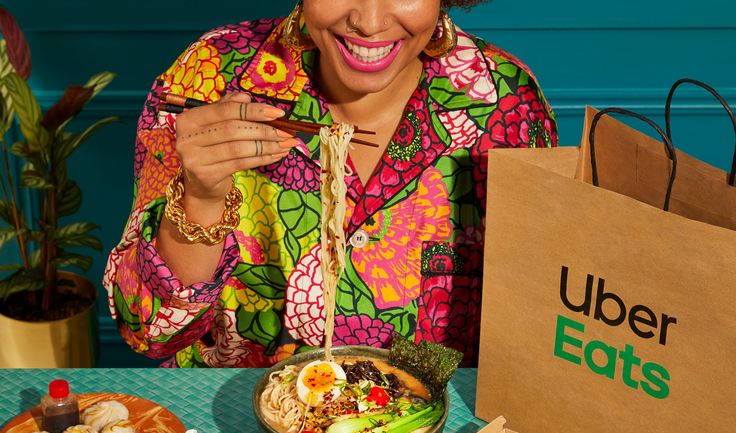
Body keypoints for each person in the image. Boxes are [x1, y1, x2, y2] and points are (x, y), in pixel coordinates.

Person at [103, 1, 557, 368]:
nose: (369, 21)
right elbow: (151, 333)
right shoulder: (209, 78)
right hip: (241, 426)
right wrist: (200, 197)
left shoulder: (504, 100)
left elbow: (531, 319)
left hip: (436, 430)